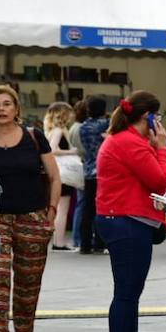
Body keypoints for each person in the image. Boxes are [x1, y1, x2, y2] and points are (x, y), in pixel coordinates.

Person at [95, 91, 166, 332]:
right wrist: (163, 147)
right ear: (148, 117)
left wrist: (154, 147)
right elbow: (158, 179)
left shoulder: (128, 139)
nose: (161, 122)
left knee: (130, 292)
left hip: (126, 219)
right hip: (125, 221)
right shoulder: (128, 141)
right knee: (126, 293)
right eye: (159, 116)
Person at [0, 87, 56, 332]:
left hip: (33, 217)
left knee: (28, 281)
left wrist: (51, 212)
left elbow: (54, 175)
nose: (2, 109)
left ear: (16, 109)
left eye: (7, 104)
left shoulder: (34, 138)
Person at [44, 102, 80, 251]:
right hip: (63, 173)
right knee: (62, 209)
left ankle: (57, 241)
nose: (71, 116)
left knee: (57, 208)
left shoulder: (51, 130)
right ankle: (59, 242)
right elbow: (53, 150)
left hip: (57, 171)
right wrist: (72, 152)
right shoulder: (59, 130)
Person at [76, 96, 110, 255]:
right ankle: (100, 242)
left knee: (87, 210)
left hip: (88, 170)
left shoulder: (82, 127)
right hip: (103, 171)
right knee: (101, 208)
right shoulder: (104, 125)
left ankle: (85, 243)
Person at [69, 100, 88, 252]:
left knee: (81, 204)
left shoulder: (74, 127)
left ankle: (77, 237)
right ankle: (78, 237)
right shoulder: (82, 128)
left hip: (78, 166)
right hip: (84, 166)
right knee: (83, 205)